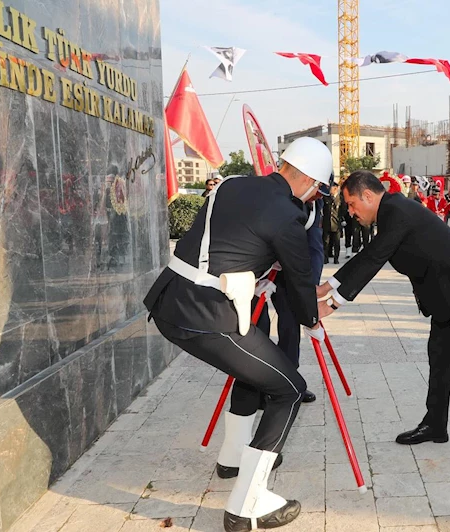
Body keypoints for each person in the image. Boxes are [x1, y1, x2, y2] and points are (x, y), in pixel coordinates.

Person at [143, 137, 333, 531]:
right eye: (318, 187)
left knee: (256, 370)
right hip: (206, 314)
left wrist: (252, 277)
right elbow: (299, 289)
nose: (315, 195)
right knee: (289, 389)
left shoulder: (231, 183)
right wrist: (314, 316)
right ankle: (247, 504)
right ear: (308, 180)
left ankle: (232, 457)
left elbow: (224, 242)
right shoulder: (288, 217)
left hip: (170, 298)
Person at [316, 170, 450, 474]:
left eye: (351, 204)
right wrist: (325, 289)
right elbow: (370, 256)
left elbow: (374, 257)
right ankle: (435, 424)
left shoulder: (396, 209)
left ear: (367, 195)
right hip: (446, 297)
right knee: (439, 359)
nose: (350, 212)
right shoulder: (391, 211)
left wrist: (331, 301)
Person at [323, 182, 343, 265]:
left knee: (337, 242)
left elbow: (343, 210)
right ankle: (325, 258)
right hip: (327, 223)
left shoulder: (341, 199)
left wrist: (341, 220)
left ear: (336, 188)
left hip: (336, 223)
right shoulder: (326, 198)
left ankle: (336, 258)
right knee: (326, 242)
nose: (330, 189)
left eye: (331, 187)